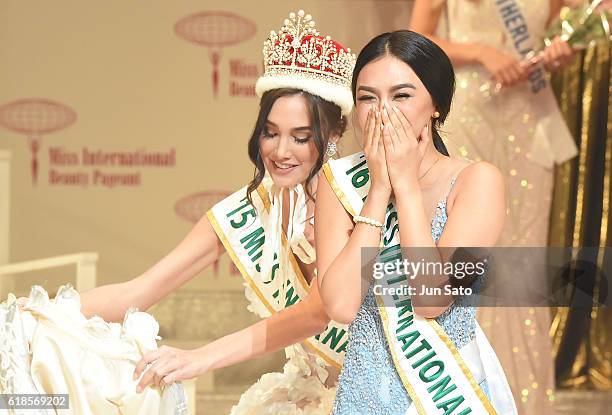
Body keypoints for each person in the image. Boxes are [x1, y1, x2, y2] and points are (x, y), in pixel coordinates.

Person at [6, 10, 356, 415]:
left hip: (372, 395)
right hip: (300, 397)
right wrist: (33, 316)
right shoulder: (251, 208)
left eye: (300, 137)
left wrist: (199, 358)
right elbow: (138, 292)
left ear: (331, 137)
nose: (280, 152)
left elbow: (314, 314)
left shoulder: (356, 203)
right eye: (270, 132)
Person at [315, 30, 517, 414]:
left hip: (444, 399)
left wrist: (405, 187)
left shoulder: (479, 182)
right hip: (362, 399)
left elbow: (432, 298)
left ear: (435, 105)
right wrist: (377, 194)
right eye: (367, 98)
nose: (381, 112)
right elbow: (340, 305)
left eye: (401, 96)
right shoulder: (338, 183)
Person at [410, 1, 579, 412]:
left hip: (529, 114)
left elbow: (592, 13)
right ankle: (460, 394)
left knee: (523, 256)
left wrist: (564, 44)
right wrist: (481, 52)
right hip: (470, 107)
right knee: (466, 254)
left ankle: (526, 400)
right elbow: (418, 38)